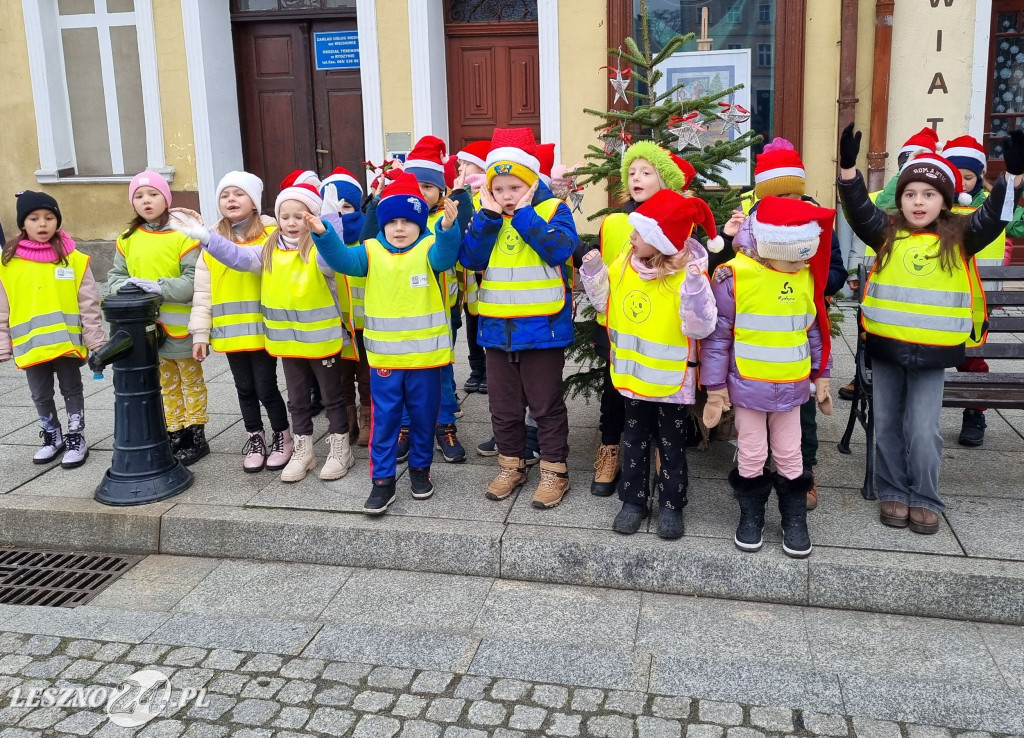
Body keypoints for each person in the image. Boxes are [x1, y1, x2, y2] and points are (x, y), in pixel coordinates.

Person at [836, 123, 1024, 534]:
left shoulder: (962, 234)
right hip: (886, 348)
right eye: (909, 194)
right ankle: (893, 491)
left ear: (945, 201)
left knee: (923, 431)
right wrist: (848, 170)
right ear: (900, 200)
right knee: (886, 425)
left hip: (932, 355)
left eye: (928, 194)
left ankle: (924, 495)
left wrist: (1012, 177)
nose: (918, 202)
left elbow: (994, 216)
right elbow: (857, 210)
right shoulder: (885, 233)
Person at [178, 180, 356, 483]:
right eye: (284, 216)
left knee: (331, 396)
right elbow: (237, 256)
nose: (290, 222)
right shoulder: (269, 249)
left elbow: (332, 260)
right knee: (298, 399)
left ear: (311, 218)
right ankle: (303, 451)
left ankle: (341, 451)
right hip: (287, 341)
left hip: (322, 340)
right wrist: (207, 237)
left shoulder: (318, 248)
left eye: (299, 216)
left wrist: (329, 224)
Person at [308, 172, 461, 514]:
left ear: (421, 224)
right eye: (392, 221)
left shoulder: (428, 249)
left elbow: (446, 257)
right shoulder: (370, 250)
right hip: (385, 361)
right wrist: (324, 234)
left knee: (423, 419)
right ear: (382, 224)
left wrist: (449, 230)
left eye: (409, 221)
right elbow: (343, 262)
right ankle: (383, 481)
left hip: (426, 360)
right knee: (386, 421)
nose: (400, 228)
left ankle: (421, 471)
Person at [579, 189, 718, 538]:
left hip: (670, 381)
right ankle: (633, 501)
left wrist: (695, 293)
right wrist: (594, 270)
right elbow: (603, 303)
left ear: (661, 242)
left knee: (672, 444)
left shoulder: (690, 274)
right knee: (634, 440)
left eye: (639, 233)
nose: (631, 236)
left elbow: (701, 327)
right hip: (632, 376)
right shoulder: (625, 261)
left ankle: (672, 505)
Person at [702, 196, 836, 558]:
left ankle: (794, 519)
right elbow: (718, 338)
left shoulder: (805, 275)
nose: (799, 265)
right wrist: (715, 389)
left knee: (791, 453)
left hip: (792, 388)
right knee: (751, 451)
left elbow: (813, 329)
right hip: (748, 387)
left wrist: (821, 374)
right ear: (768, 246)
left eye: (803, 258)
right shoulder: (735, 277)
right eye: (792, 258)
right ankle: (751, 515)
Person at [719, 138, 846, 509]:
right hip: (758, 332)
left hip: (797, 324)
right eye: (779, 193)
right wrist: (729, 240)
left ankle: (804, 470)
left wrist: (817, 281)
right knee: (755, 412)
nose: (788, 201)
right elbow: (731, 275)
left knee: (801, 410)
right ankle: (753, 467)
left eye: (794, 193)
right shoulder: (750, 222)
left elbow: (834, 269)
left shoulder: (814, 223)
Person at [460, 127, 578, 508]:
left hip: (541, 331)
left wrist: (525, 214)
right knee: (503, 408)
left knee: (546, 406)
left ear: (530, 183)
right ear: (489, 189)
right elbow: (471, 259)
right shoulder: (485, 216)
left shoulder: (551, 210)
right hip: (496, 331)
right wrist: (488, 219)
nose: (507, 196)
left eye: (515, 187)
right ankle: (511, 465)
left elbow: (559, 248)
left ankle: (554, 471)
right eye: (500, 188)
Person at [185, 171, 292, 473]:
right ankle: (255, 438)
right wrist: (200, 333)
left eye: (238, 194)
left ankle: (283, 436)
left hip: (262, 330)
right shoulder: (210, 240)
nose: (231, 199)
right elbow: (202, 291)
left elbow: (256, 266)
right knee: (244, 388)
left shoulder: (271, 236)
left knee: (266, 387)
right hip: (230, 333)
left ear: (255, 202)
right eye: (224, 195)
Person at [108, 171, 209, 465]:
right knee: (166, 382)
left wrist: (161, 287)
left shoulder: (183, 237)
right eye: (139, 196)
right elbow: (115, 277)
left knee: (190, 381)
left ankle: (196, 432)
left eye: (153, 194)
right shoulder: (127, 239)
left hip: (181, 329)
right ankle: (174, 430)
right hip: (147, 330)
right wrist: (125, 286)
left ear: (166, 198)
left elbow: (194, 281)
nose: (146, 201)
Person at [0, 191, 107, 468]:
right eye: (34, 218)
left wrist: (95, 339)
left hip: (66, 342)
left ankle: (76, 436)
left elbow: (88, 303)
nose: (42, 224)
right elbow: (2, 307)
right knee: (40, 394)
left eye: (49, 217)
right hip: (31, 344)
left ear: (57, 221)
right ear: (23, 224)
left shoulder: (73, 259)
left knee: (72, 389)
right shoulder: (8, 264)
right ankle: (52, 435)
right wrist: (3, 342)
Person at [943, 135, 1024, 447]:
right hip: (933, 302)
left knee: (972, 360)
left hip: (973, 300)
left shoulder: (984, 209)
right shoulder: (931, 205)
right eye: (954, 176)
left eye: (968, 176)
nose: (961, 184)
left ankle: (975, 410)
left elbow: (1001, 216)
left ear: (979, 177)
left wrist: (1013, 179)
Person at [403, 136, 474, 463]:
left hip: (441, 311)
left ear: (441, 191)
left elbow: (450, 255)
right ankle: (406, 426)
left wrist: (452, 218)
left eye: (428, 186)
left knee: (442, 370)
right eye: (413, 185)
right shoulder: (397, 222)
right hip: (401, 313)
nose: (420, 191)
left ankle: (445, 425)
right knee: (404, 371)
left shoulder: (443, 220)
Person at [319, 166, 372, 447]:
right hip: (334, 322)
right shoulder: (319, 240)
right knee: (339, 377)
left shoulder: (368, 237)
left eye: (347, 206)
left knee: (366, 375)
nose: (341, 213)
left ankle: (367, 417)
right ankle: (346, 417)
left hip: (365, 324)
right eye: (334, 208)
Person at [455, 140, 491, 393]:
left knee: (486, 318)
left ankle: (489, 369)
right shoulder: (459, 194)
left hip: (485, 272)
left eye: (465, 164)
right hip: (467, 273)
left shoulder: (485, 195)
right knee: (472, 319)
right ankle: (476, 367)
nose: (459, 168)